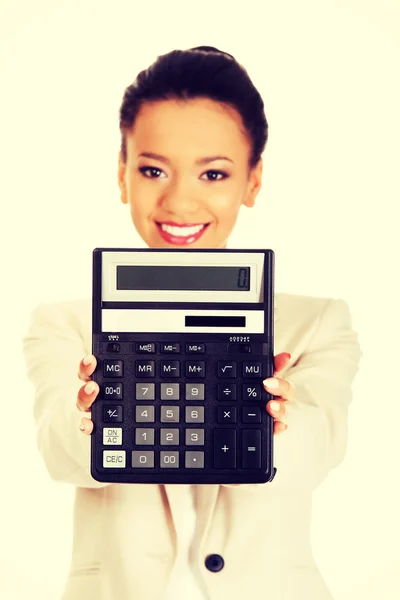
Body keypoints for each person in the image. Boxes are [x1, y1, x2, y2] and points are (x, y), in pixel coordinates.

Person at [22, 46, 362, 600]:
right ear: (122, 175)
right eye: (153, 169)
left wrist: (272, 423)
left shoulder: (315, 323)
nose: (179, 199)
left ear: (252, 182)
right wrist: (89, 417)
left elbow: (314, 456)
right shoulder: (66, 323)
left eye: (214, 172)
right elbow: (62, 454)